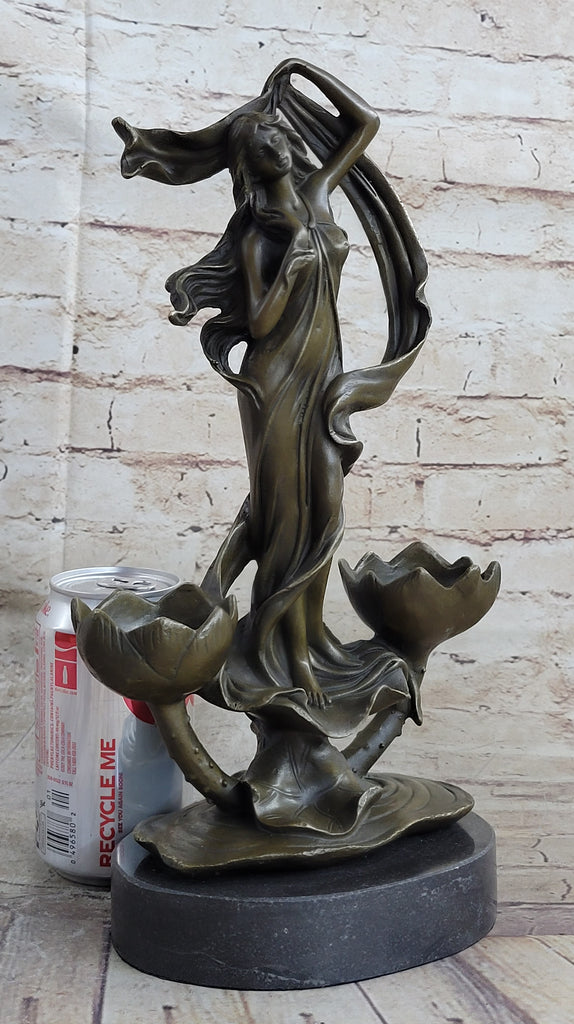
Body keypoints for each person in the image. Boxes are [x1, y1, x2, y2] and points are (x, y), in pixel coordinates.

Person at [113, 58, 430, 736]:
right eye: (261, 141)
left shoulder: (317, 193)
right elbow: (259, 322)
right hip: (275, 380)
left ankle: (269, 620)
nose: (278, 143)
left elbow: (364, 124)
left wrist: (297, 71)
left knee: (324, 508)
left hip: (324, 379)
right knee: (286, 516)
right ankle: (283, 649)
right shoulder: (259, 233)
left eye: (278, 133)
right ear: (249, 163)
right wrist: (292, 262)